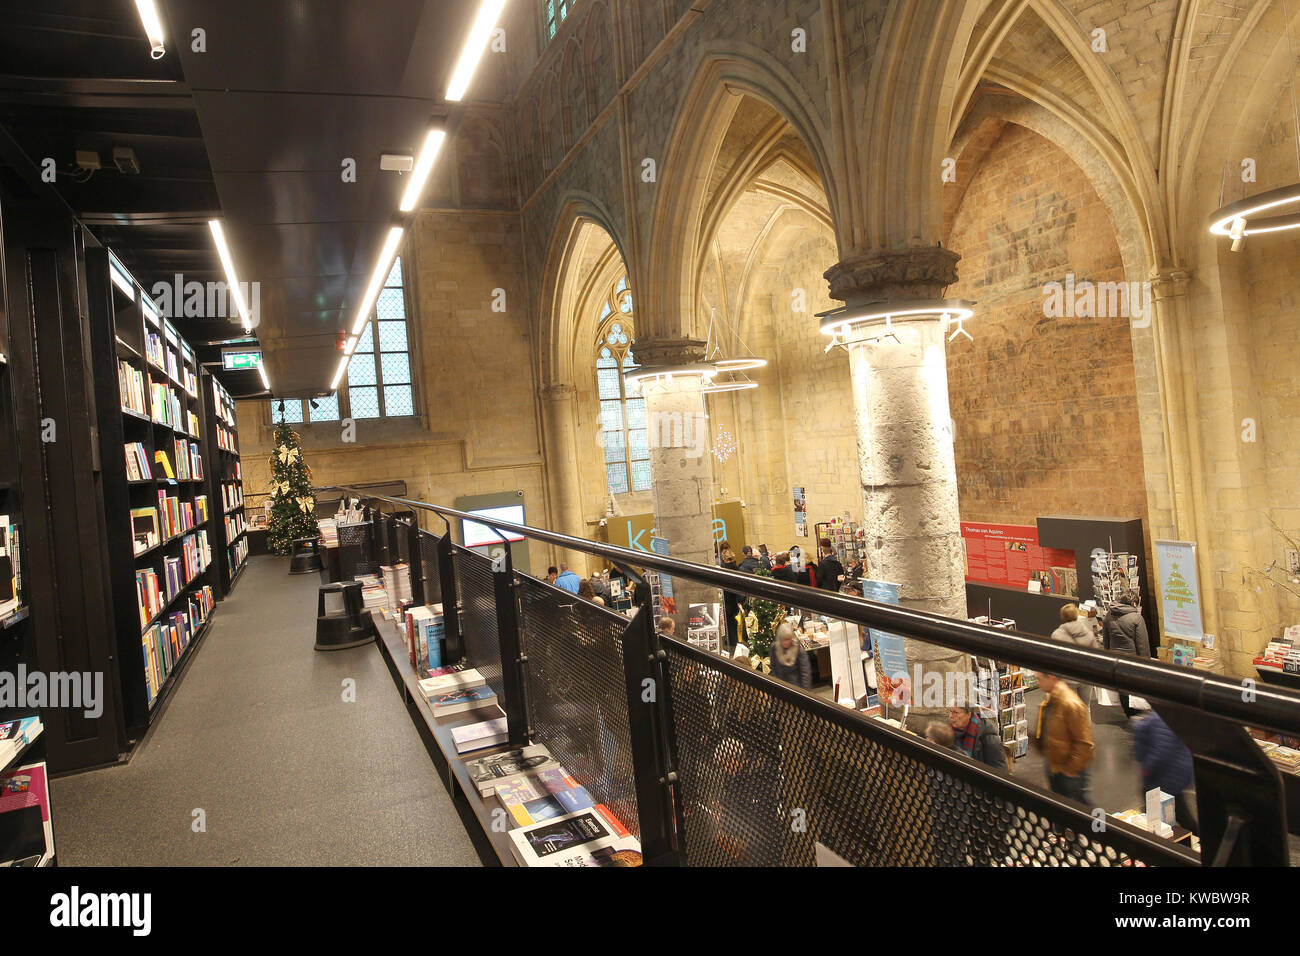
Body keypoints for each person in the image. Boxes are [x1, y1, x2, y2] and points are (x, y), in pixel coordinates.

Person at [1032, 672, 1095, 804]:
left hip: (1069, 773)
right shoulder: (1051, 701)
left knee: (1078, 813)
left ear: (1051, 677)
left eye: (1039, 679)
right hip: (1056, 768)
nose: (1037, 683)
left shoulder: (1070, 704)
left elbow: (1085, 743)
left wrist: (1070, 769)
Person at [1133, 711, 1198, 834]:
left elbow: (1160, 753)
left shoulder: (1157, 721)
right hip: (1176, 777)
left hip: (1161, 780)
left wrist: (1146, 770)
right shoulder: (1175, 717)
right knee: (1178, 814)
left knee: (1157, 822)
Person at [1103, 589, 1151, 717]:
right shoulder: (1136, 618)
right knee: (1134, 687)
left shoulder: (1109, 615)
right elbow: (1142, 644)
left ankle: (1129, 713)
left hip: (1115, 659)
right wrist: (1146, 663)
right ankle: (1135, 713)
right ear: (1134, 603)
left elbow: (1106, 640)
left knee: (1122, 688)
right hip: (1132, 660)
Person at [1049, 603, 1101, 705]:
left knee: (1067, 708)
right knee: (1085, 708)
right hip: (1086, 676)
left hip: (1067, 677)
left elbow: (1053, 658)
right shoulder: (1089, 634)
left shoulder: (1057, 635)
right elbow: (1096, 656)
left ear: (1062, 616)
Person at [948, 706, 1007, 771]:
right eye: (950, 711)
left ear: (968, 714)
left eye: (956, 712)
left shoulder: (988, 736)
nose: (951, 716)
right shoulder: (948, 731)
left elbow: (999, 769)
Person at [768, 623, 811, 689]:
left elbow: (805, 673)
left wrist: (805, 692)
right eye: (783, 639)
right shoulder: (774, 648)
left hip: (797, 688)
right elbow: (773, 668)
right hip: (780, 687)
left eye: (788, 639)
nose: (786, 642)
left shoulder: (798, 650)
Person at [719, 544, 742, 652]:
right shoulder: (736, 567)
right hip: (734, 598)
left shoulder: (723, 568)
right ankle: (736, 640)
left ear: (724, 558)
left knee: (728, 621)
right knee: (734, 620)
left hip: (727, 598)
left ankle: (732, 640)